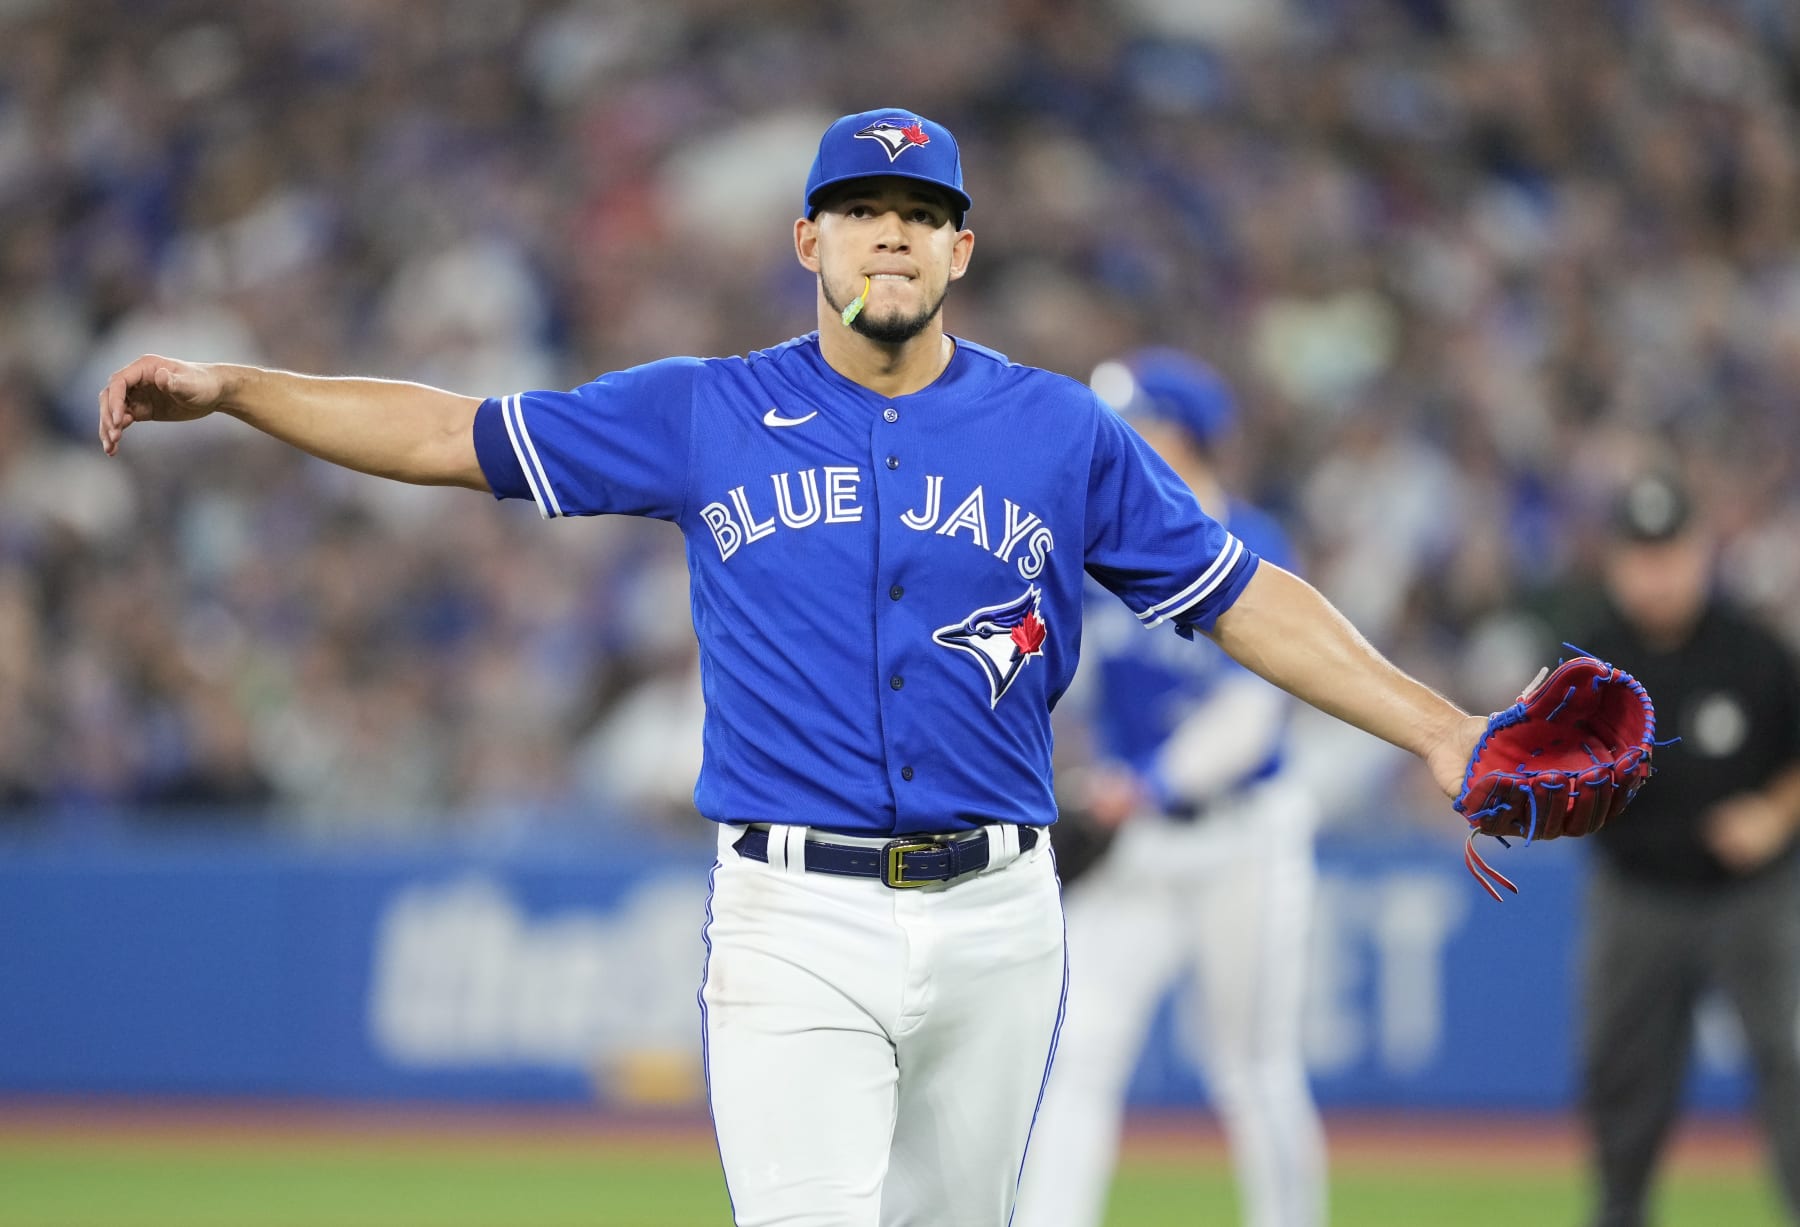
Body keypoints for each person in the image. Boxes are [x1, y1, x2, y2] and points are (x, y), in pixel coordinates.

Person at [100, 107, 1494, 1227]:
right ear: (808, 240)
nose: (894, 238)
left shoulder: (1061, 433)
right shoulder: (705, 410)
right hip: (792, 916)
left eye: (924, 218)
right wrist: (240, 389)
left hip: (1004, 909)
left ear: (963, 251)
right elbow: (450, 433)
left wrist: (1438, 728)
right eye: (866, 215)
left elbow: (1240, 596)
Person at [1016, 350, 1326, 1227]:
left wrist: (1144, 781)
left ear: (1181, 435)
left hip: (1243, 835)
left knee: (1254, 1066)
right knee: (1075, 1054)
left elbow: (1252, 716)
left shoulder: (1254, 542)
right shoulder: (1091, 545)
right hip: (1136, 843)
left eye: (1133, 421)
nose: (1112, 437)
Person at [1576, 471, 1800, 1227]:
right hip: (1636, 890)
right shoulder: (1588, 659)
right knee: (1621, 1072)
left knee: (1791, 1062)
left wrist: (1774, 811)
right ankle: (1620, 1213)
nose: (1657, 574)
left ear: (1701, 553)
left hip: (1753, 894)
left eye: (1669, 553)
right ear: (1615, 562)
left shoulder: (1754, 649)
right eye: (1641, 556)